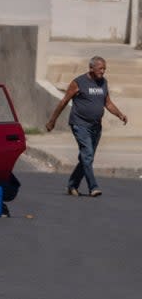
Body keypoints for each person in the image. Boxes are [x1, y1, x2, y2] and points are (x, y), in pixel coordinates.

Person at [46, 56, 128, 198]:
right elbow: (64, 101)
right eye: (100, 69)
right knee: (88, 155)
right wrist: (52, 120)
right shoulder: (78, 82)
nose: (103, 72)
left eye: (104, 69)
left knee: (86, 158)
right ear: (91, 68)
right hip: (79, 124)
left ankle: (72, 185)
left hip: (96, 126)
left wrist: (119, 114)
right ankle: (93, 187)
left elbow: (108, 103)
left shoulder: (103, 83)